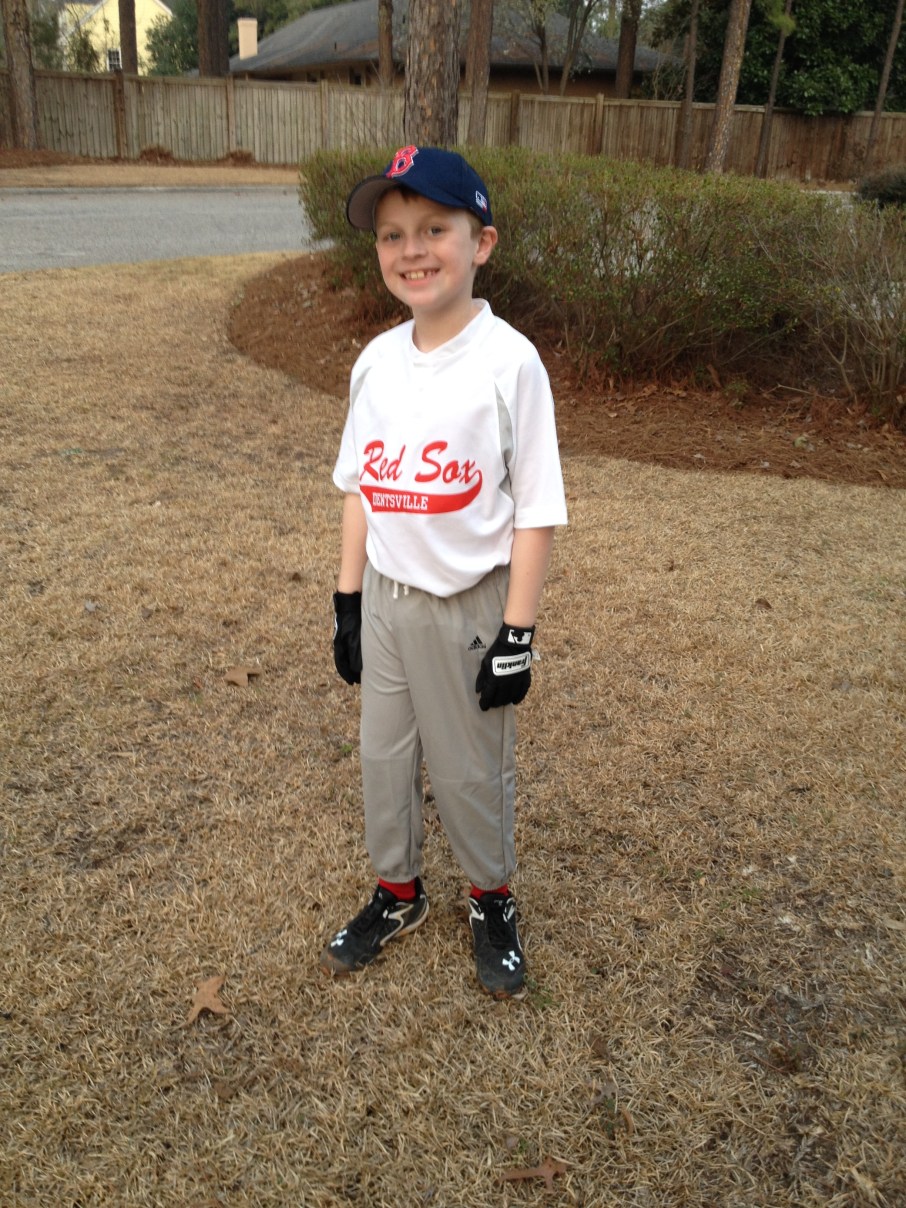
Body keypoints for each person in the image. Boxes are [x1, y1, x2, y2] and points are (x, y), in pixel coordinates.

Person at [322, 145, 567, 999]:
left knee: (468, 768)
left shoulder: (509, 362)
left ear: (481, 243)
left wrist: (517, 633)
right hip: (387, 602)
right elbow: (360, 488)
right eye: (392, 235)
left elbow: (535, 510)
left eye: (434, 228)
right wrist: (347, 600)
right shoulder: (375, 362)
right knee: (383, 756)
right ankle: (398, 891)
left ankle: (491, 897)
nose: (412, 250)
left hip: (469, 604)